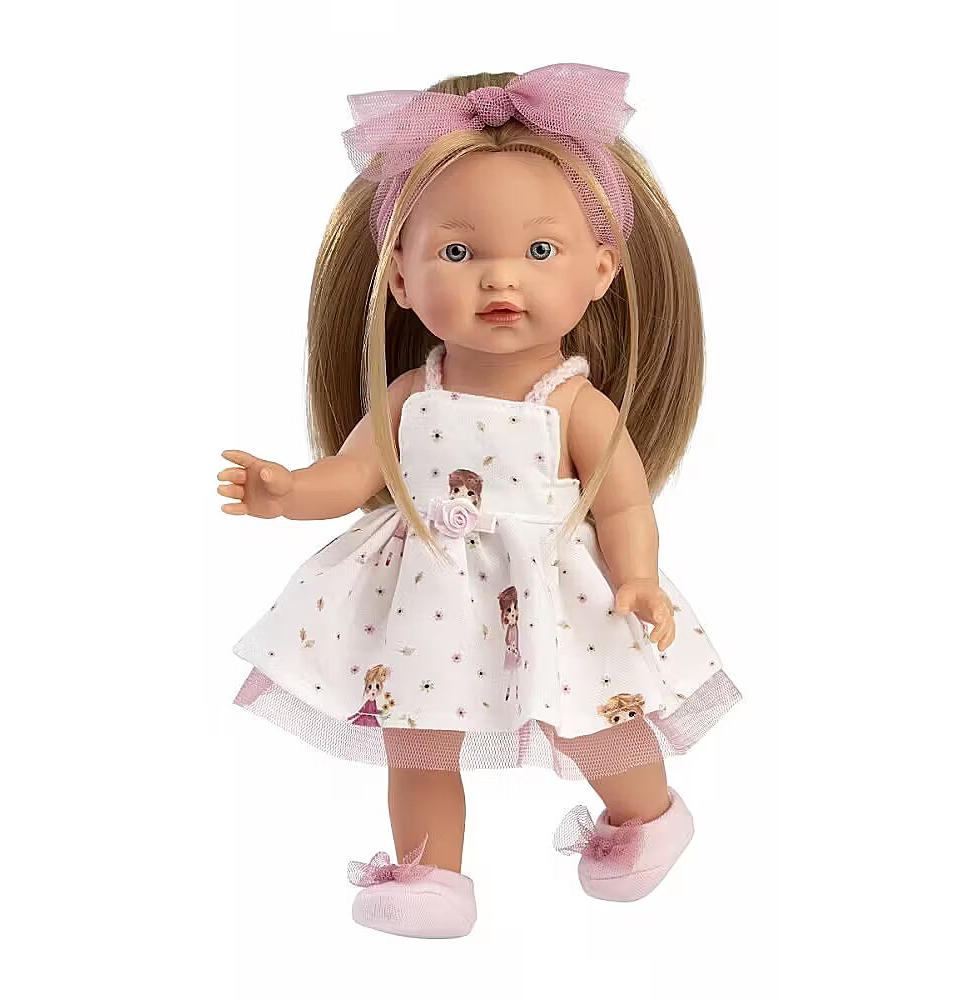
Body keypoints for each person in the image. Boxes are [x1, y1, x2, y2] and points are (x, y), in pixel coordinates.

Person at [219, 62, 742, 939]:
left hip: (552, 592)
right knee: (416, 736)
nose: (501, 281)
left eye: (540, 252)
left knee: (593, 717)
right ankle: (428, 874)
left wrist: (638, 577)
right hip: (422, 598)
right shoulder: (410, 396)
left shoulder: (573, 403)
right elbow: (353, 475)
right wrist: (288, 492)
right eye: (458, 254)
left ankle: (646, 817)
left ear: (601, 269)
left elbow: (622, 505)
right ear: (399, 279)